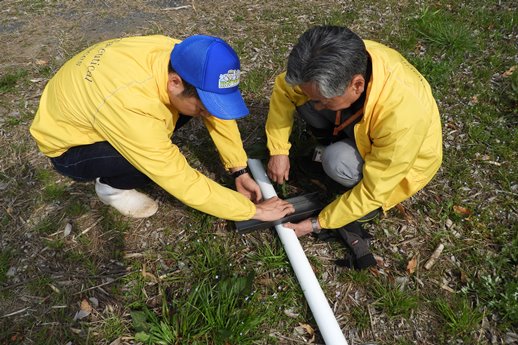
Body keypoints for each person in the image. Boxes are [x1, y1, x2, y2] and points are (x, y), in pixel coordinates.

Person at [30, 34, 294, 222]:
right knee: (143, 164)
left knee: (189, 109)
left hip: (97, 105)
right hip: (70, 147)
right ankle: (111, 188)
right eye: (204, 106)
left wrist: (238, 168)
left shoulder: (178, 55)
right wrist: (252, 211)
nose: (207, 114)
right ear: (175, 82)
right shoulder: (130, 106)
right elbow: (178, 179)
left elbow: (216, 112)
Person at [265, 26, 442, 268]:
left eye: (324, 101)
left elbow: (373, 190)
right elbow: (284, 89)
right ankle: (334, 138)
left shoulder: (402, 116)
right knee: (305, 99)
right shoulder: (339, 60)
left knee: (336, 161)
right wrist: (278, 150)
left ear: (357, 85)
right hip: (363, 126)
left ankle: (357, 193)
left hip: (400, 165)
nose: (317, 106)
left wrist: (317, 223)